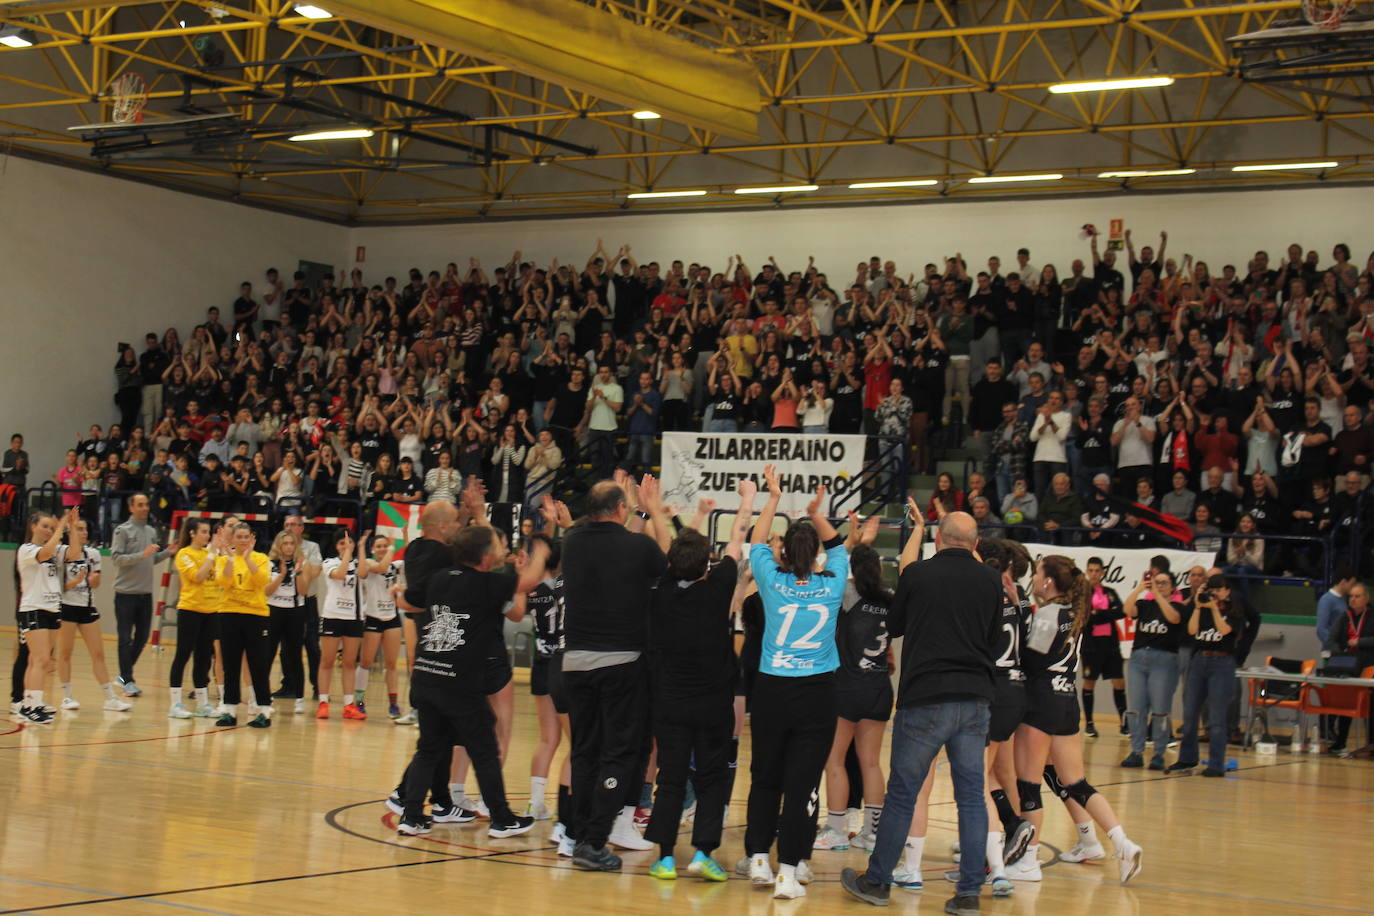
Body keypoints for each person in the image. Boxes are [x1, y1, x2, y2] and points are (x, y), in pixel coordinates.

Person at [840, 512, 997, 915]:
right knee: (972, 799)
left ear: (939, 541)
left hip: (925, 697)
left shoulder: (918, 575)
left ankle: (877, 882)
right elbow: (995, 640)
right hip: (975, 699)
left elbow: (894, 626)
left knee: (903, 795)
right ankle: (967, 894)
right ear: (975, 544)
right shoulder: (991, 580)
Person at [397, 525, 548, 839]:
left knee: (428, 749)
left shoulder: (439, 578)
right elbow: (530, 581)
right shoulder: (488, 583)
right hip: (458, 682)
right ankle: (502, 818)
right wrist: (543, 548)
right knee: (484, 751)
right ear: (485, 555)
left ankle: (411, 816)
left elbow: (409, 601)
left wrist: (403, 596)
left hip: (426, 674)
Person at [742, 469, 847, 899]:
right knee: (801, 784)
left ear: (782, 552)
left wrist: (773, 498)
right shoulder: (834, 581)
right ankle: (788, 871)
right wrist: (815, 513)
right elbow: (839, 544)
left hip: (771, 689)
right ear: (817, 553)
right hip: (817, 692)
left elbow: (754, 539)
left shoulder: (771, 580)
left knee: (764, 776)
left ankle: (758, 860)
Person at [645, 481, 755, 882]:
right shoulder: (721, 585)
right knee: (712, 779)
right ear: (707, 563)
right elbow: (739, 533)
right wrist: (746, 499)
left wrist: (658, 510)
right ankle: (705, 853)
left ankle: (665, 857)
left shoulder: (661, 591)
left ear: (672, 563)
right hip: (713, 705)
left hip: (671, 704)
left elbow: (669, 547)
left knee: (671, 779)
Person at [1011, 555, 1143, 886]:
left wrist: (1022, 615)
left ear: (1049, 581)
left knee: (1028, 784)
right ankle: (1122, 843)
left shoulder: (1051, 613)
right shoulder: (1074, 612)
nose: (1035, 580)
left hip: (1040, 703)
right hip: (1067, 700)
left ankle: (1028, 860)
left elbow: (1029, 659)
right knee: (1077, 783)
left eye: (1039, 574)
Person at [561, 475, 670, 871]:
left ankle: (577, 835)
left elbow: (621, 547)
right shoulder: (636, 545)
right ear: (621, 511)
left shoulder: (571, 541)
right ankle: (594, 840)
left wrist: (635, 508)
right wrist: (653, 509)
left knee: (585, 751)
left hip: (575, 663)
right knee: (620, 752)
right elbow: (664, 559)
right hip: (621, 662)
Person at [815, 524, 890, 855]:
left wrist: (853, 542)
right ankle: (873, 834)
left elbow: (827, 569)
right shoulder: (890, 600)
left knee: (835, 760)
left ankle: (835, 829)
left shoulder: (846, 594)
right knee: (871, 763)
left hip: (847, 687)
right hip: (879, 686)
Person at [1169, 574, 1247, 777]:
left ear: (1228, 591)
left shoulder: (1235, 610)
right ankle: (1186, 759)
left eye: (1220, 589)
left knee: (1217, 716)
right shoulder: (1202, 608)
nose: (1216, 593)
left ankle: (1216, 764)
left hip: (1222, 662)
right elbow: (1192, 630)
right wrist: (1197, 606)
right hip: (1200, 659)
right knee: (1190, 711)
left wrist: (1214, 610)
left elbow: (1225, 631)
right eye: (1213, 589)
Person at [54, 518, 132, 712]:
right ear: (70, 532)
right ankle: (67, 696)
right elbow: (57, 587)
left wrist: (93, 580)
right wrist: (75, 582)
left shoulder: (94, 554)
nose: (84, 533)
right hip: (66, 606)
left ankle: (110, 698)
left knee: (98, 653)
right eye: (79, 529)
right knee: (65, 652)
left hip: (87, 607)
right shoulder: (61, 553)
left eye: (85, 529)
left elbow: (95, 584)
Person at [109, 493, 173, 696]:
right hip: (125, 594)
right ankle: (127, 679)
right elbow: (117, 559)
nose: (145, 508)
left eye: (146, 504)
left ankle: (123, 675)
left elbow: (150, 560)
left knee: (143, 637)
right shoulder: (123, 531)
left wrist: (168, 552)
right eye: (140, 505)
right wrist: (141, 554)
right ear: (131, 508)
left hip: (145, 594)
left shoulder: (151, 531)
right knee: (124, 638)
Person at [1121, 570, 1184, 770]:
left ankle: (1159, 753)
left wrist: (1157, 594)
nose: (1159, 585)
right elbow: (1127, 610)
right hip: (1139, 658)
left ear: (1172, 587)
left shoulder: (1177, 606)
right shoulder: (1145, 605)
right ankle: (1136, 751)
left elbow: (1173, 619)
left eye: (1164, 583)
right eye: (1157, 582)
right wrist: (1140, 588)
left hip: (1164, 659)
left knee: (1160, 710)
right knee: (1135, 708)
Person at [213, 522, 273, 728]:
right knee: (231, 664)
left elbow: (262, 581)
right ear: (233, 539)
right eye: (238, 537)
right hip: (229, 614)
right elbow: (224, 582)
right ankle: (229, 710)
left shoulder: (262, 559)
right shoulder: (223, 560)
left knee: (258, 665)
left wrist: (248, 560)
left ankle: (264, 710)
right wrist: (231, 559)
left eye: (246, 537)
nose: (242, 540)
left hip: (255, 615)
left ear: (252, 539)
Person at [15, 510, 70, 723]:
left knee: (39, 660)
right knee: (41, 659)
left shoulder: (54, 551)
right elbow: (45, 553)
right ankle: (32, 707)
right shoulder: (27, 549)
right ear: (33, 527)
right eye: (45, 526)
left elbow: (72, 553)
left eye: (51, 527)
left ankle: (30, 703)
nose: (48, 530)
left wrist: (70, 527)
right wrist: (59, 529)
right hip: (33, 608)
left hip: (51, 607)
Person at [168, 519, 221, 719]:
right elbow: (198, 577)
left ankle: (202, 703)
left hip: (211, 610)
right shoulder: (184, 554)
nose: (207, 535)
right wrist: (211, 553)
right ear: (192, 533)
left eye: (209, 532)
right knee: (183, 654)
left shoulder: (211, 555)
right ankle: (175, 704)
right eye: (203, 531)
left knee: (203, 657)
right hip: (190, 610)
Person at [318, 528, 369, 720]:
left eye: (348, 543)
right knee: (327, 661)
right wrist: (347, 553)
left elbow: (363, 573)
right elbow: (339, 575)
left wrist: (361, 548)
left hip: (354, 618)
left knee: (349, 663)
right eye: (341, 543)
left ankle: (349, 705)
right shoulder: (329, 562)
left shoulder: (358, 564)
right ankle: (323, 702)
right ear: (336, 546)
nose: (345, 546)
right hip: (332, 615)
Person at [276, 513, 322, 709]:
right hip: (283, 602)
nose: (290, 527)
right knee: (286, 647)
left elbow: (315, 572)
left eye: (294, 524)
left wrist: (300, 566)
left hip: (307, 601)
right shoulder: (279, 548)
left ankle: (318, 685)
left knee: (312, 645)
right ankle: (289, 685)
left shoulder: (311, 547)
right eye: (286, 524)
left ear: (301, 528)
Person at [264, 527, 312, 717]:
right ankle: (264, 696)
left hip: (295, 612)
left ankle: (300, 698)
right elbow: (266, 591)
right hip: (273, 611)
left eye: (292, 543)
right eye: (285, 543)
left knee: (294, 656)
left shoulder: (303, 563)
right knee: (267, 654)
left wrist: (298, 572)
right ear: (279, 545)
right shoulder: (269, 564)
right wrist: (282, 575)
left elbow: (303, 591)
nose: (289, 547)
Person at [358, 534, 404, 718]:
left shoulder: (397, 565)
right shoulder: (369, 563)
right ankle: (359, 702)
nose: (383, 548)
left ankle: (393, 704)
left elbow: (412, 559)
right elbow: (381, 567)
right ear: (372, 549)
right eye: (379, 546)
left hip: (391, 618)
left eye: (385, 545)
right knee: (366, 662)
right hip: (373, 616)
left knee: (392, 664)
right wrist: (392, 549)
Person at [1080, 557, 1127, 737]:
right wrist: (1102, 615)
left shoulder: (1110, 592)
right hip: (1091, 646)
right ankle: (1090, 723)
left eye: (1097, 571)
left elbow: (1120, 611)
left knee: (1119, 680)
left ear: (1103, 572)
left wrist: (1098, 613)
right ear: (1087, 572)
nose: (1094, 574)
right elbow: (1085, 616)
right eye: (1090, 570)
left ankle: (1124, 722)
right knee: (1089, 682)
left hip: (1110, 644)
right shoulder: (1082, 592)